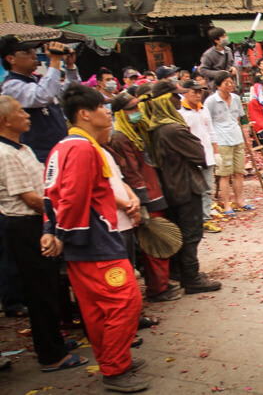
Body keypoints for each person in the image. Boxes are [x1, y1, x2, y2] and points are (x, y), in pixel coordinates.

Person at [42, 84, 148, 392]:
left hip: (84, 242)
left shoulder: (62, 147)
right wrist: (61, 233)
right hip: (94, 241)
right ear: (84, 114)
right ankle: (115, 368)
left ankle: (114, 360)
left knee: (97, 309)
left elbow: (51, 196)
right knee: (125, 302)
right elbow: (72, 197)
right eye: (102, 107)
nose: (107, 112)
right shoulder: (82, 148)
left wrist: (52, 231)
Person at [0, 95, 90, 372]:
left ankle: (55, 339)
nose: (28, 115)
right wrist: (62, 211)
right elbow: (31, 198)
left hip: (40, 221)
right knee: (39, 290)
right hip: (26, 225)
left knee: (49, 286)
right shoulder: (4, 154)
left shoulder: (22, 148)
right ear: (6, 120)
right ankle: (50, 355)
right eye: (20, 112)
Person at [144, 82, 222, 294]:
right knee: (191, 233)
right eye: (174, 97)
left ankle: (180, 273)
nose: (179, 101)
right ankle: (191, 277)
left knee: (182, 231)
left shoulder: (156, 126)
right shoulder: (172, 128)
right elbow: (198, 152)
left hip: (171, 185)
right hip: (185, 185)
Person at [104, 95, 179, 301]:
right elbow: (131, 173)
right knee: (153, 245)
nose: (136, 111)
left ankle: (162, 283)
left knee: (159, 242)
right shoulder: (120, 137)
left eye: (137, 107)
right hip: (145, 196)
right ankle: (157, 288)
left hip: (155, 190)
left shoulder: (138, 130)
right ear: (120, 113)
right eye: (131, 109)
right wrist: (142, 202)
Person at [1, 36, 80, 162]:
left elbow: (70, 95)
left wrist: (70, 67)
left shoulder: (38, 80)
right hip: (39, 154)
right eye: (27, 53)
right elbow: (42, 96)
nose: (34, 56)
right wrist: (54, 62)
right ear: (11, 59)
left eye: (34, 51)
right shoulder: (11, 86)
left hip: (58, 149)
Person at [177, 80, 220, 233]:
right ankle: (193, 220)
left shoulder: (204, 110)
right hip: (192, 157)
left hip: (207, 155)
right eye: (194, 91)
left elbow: (211, 131)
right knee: (193, 190)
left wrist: (216, 151)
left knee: (207, 189)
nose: (197, 95)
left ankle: (205, 219)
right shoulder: (180, 112)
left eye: (199, 92)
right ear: (185, 92)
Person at [206, 71, 250, 214]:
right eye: (226, 83)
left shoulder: (236, 98)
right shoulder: (211, 101)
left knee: (238, 172)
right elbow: (207, 122)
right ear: (218, 86)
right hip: (222, 140)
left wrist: (245, 136)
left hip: (237, 138)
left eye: (231, 82)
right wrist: (213, 145)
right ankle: (226, 204)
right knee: (224, 174)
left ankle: (239, 200)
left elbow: (241, 118)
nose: (230, 85)